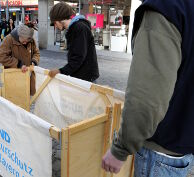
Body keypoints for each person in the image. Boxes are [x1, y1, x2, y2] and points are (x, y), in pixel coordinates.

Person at [102, 0, 194, 176]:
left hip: (161, 150)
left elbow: (146, 98)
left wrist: (120, 150)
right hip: (183, 144)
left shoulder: (165, 7)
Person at [48, 2, 99, 83]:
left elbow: (78, 57)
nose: (55, 26)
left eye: (54, 23)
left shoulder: (79, 28)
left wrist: (61, 71)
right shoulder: (74, 28)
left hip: (86, 78)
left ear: (59, 19)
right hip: (80, 76)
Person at [0, 23, 40, 96]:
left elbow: (36, 53)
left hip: (28, 76)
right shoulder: (9, 39)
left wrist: (34, 62)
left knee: (27, 99)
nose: (25, 43)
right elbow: (1, 56)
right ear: (19, 35)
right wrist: (18, 64)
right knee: (14, 98)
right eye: (23, 41)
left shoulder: (31, 40)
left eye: (27, 41)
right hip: (14, 77)